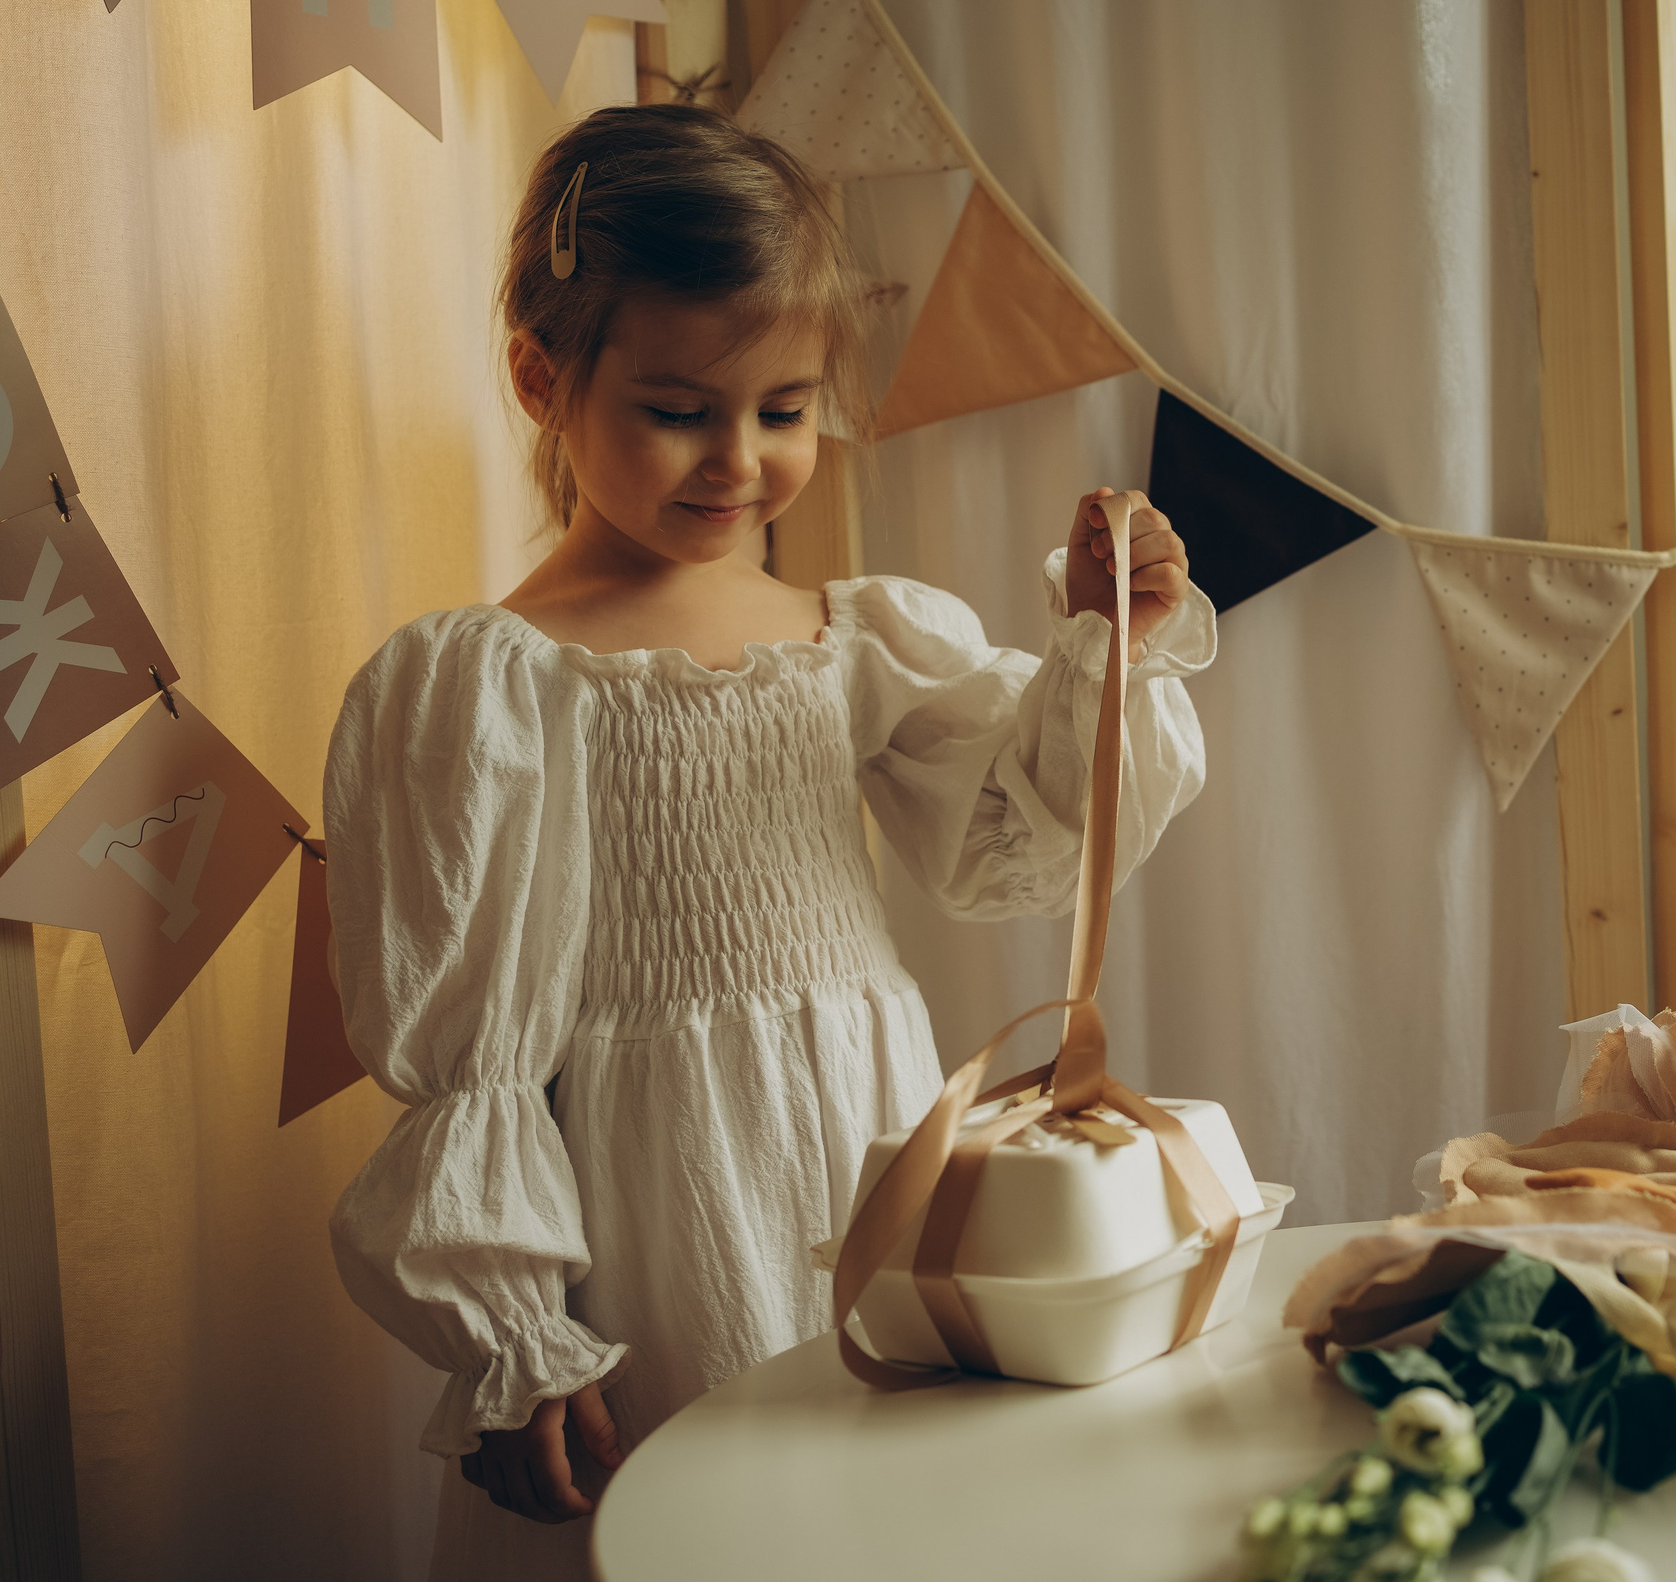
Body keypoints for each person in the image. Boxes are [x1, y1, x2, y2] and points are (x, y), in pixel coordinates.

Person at [323, 103, 1211, 1580]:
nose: (738, 459)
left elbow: (1022, 825)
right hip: (649, 1195)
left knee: (897, 1521)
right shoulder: (486, 686)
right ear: (547, 379)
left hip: (868, 1147)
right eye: (679, 409)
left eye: (784, 410)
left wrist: (1105, 653)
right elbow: (467, 1064)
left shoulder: (849, 635)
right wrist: (516, 1335)